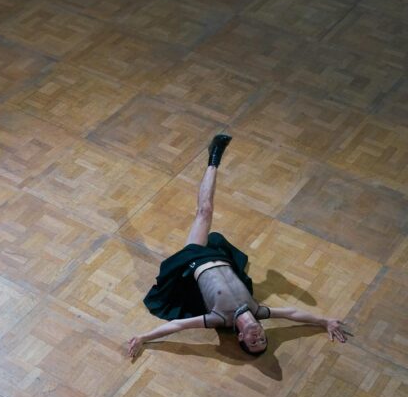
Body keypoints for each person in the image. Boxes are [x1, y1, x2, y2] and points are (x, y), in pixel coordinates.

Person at [128, 134, 351, 362]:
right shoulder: (257, 311)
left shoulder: (219, 318)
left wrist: (144, 337)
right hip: (219, 255)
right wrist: (324, 322)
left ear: (241, 337)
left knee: (204, 211)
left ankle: (213, 158)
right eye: (262, 339)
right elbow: (292, 313)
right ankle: (215, 157)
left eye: (253, 342)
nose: (258, 337)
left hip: (194, 260)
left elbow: (178, 325)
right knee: (205, 212)